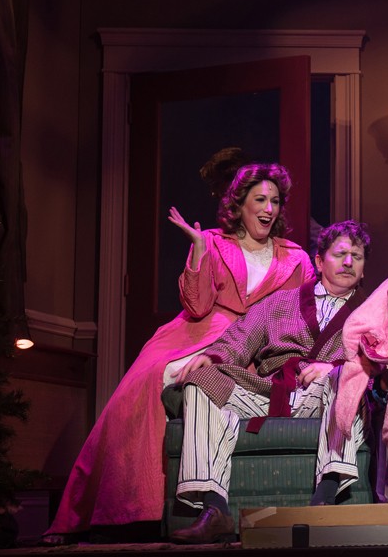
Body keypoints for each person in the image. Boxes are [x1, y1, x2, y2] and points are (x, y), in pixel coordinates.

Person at [43, 162, 314, 542]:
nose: (268, 208)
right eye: (259, 200)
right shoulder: (215, 243)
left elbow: (305, 316)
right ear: (239, 205)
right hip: (198, 332)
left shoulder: (295, 258)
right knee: (143, 382)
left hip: (253, 345)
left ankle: (168, 510)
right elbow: (197, 306)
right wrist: (199, 251)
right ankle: (108, 510)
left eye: (275, 201)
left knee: (211, 382)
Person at [165, 220, 372, 544]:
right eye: (340, 254)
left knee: (348, 379)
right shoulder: (281, 302)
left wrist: (336, 366)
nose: (348, 262)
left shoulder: (371, 312)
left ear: (363, 269)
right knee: (202, 380)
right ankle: (214, 508)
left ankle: (325, 500)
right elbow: (240, 338)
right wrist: (214, 356)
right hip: (270, 391)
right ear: (319, 262)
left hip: (325, 398)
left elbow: (380, 359)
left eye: (356, 257)